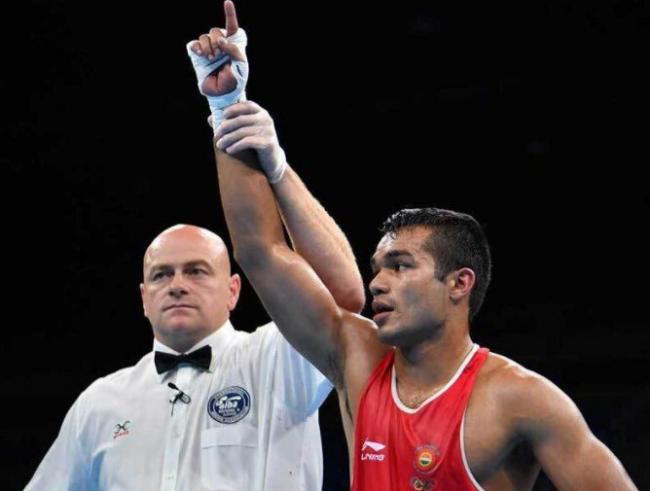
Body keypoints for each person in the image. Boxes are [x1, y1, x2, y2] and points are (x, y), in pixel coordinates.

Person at [201, 3, 639, 489]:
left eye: (400, 266)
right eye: (378, 267)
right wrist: (229, 107)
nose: (377, 283)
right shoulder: (357, 358)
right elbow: (261, 252)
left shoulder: (519, 399)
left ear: (459, 283)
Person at [25, 7, 365, 490]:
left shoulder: (275, 358)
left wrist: (265, 152)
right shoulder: (100, 403)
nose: (177, 285)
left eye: (197, 271)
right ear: (143, 297)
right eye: (161, 275)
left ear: (233, 290)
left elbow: (342, 299)